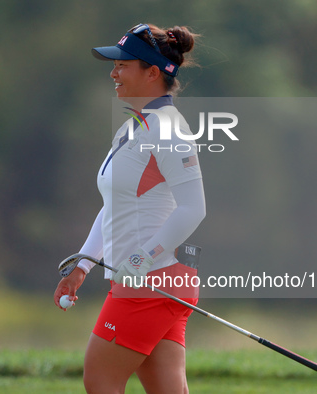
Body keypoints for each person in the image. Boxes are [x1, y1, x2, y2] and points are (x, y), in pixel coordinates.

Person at [54, 23, 206, 394]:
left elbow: (193, 208)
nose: (113, 73)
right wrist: (84, 264)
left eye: (123, 64)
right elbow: (113, 206)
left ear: (152, 72)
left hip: (151, 283)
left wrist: (141, 259)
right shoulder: (133, 127)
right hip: (149, 283)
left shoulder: (168, 128)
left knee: (100, 378)